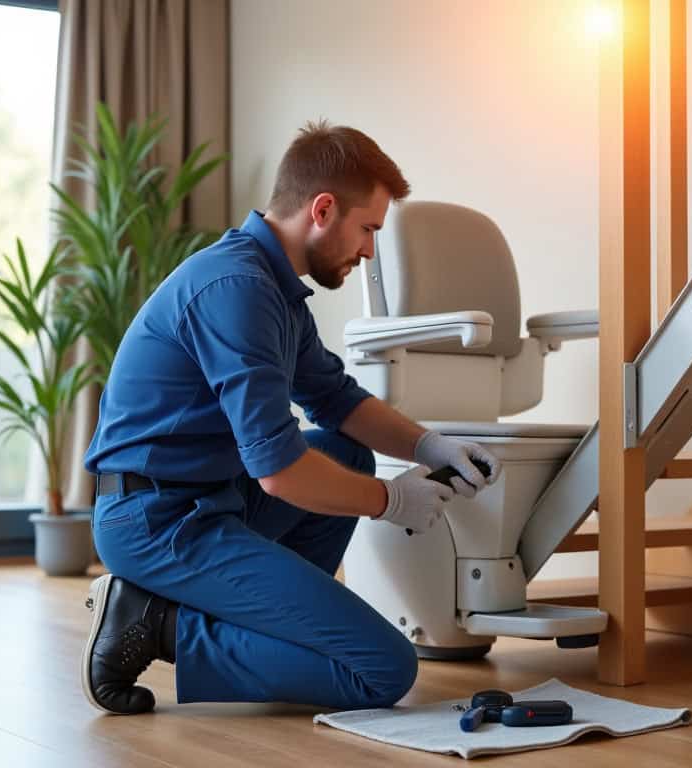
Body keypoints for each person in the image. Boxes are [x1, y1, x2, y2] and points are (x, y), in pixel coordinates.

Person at [78, 121, 502, 716]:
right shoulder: (237, 288)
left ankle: (271, 626)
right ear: (323, 209)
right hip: (156, 519)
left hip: (211, 500)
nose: (370, 251)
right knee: (383, 670)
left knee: (343, 449)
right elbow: (278, 471)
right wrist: (390, 500)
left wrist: (430, 446)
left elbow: (336, 399)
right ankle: (157, 625)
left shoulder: (273, 286)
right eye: (368, 229)